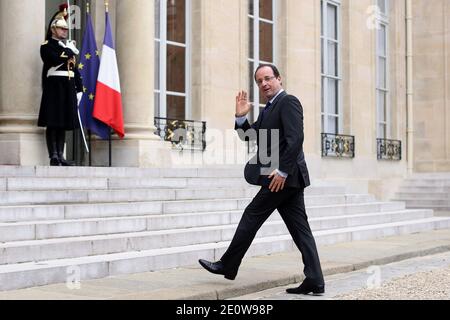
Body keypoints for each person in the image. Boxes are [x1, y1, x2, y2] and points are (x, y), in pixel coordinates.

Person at [198, 64, 325, 295]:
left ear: (279, 79)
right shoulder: (269, 109)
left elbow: (296, 139)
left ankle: (228, 263)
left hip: (282, 177)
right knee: (300, 230)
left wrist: (283, 171)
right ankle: (315, 279)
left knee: (251, 215)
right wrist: (240, 117)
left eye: (268, 78)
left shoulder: (288, 102)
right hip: (284, 178)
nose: (264, 84)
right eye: (259, 81)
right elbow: (250, 137)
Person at [38, 4, 82, 166]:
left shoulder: (66, 46)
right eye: (61, 29)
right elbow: (54, 60)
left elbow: (74, 69)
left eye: (65, 29)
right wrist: (69, 50)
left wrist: (79, 88)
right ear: (53, 29)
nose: (65, 31)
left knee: (63, 123)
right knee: (53, 122)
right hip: (54, 86)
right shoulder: (46, 46)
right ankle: (53, 155)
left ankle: (61, 156)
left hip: (67, 87)